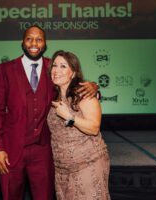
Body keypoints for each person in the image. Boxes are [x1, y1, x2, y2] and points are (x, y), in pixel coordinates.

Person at [0, 25, 98, 200]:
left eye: (39, 39)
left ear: (45, 44)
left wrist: (94, 86)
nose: (34, 43)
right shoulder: (5, 70)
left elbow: (74, 84)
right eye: (29, 39)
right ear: (22, 42)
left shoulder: (53, 68)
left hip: (43, 151)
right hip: (10, 150)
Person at [47, 50, 110, 200]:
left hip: (88, 165)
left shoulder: (83, 94)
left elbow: (94, 128)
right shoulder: (53, 97)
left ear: (73, 73)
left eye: (63, 66)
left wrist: (69, 117)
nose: (56, 70)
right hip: (62, 170)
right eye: (55, 65)